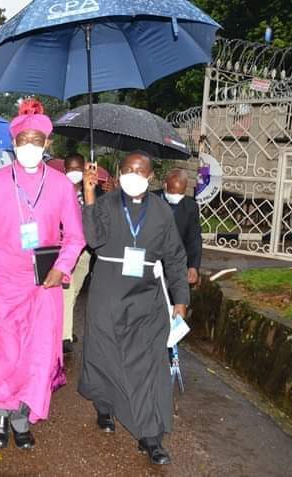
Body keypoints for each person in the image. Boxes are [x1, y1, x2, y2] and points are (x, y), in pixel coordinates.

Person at [0, 99, 85, 450]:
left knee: (40, 354)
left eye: (37, 140)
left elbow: (76, 237)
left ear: (47, 143)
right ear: (14, 143)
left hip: (45, 284)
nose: (30, 147)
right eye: (24, 140)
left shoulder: (63, 185)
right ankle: (0, 410)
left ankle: (21, 416)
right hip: (4, 283)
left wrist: (62, 268)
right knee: (9, 352)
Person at [77, 151, 189, 465]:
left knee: (149, 365)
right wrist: (88, 194)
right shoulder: (105, 203)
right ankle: (104, 404)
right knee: (104, 355)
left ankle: (150, 435)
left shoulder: (162, 212)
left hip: (147, 298)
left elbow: (176, 259)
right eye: (127, 169)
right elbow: (93, 240)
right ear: (119, 171)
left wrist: (180, 300)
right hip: (108, 294)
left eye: (140, 171)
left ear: (151, 177)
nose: (133, 175)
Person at [61, 155, 91, 354]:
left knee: (73, 292)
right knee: (66, 291)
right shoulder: (58, 192)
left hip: (86, 253)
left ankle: (64, 326)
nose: (74, 171)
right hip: (65, 251)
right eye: (70, 168)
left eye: (77, 167)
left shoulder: (93, 193)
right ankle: (64, 336)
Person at [157, 169, 202, 286]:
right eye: (172, 192)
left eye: (180, 193)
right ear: (165, 185)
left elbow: (194, 238)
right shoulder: (151, 199)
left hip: (175, 263)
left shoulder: (190, 207)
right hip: (151, 259)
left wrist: (193, 266)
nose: (176, 197)